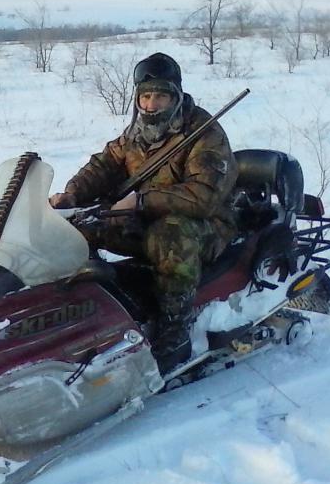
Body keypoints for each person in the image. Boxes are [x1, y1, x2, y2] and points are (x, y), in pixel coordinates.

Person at [49, 52, 238, 372]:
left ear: (176, 96)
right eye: (145, 97)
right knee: (78, 227)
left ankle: (175, 330)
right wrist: (73, 194)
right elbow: (105, 163)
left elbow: (203, 197)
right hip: (145, 215)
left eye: (160, 97)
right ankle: (85, 313)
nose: (151, 105)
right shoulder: (138, 131)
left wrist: (141, 201)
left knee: (169, 236)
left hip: (206, 224)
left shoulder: (205, 133)